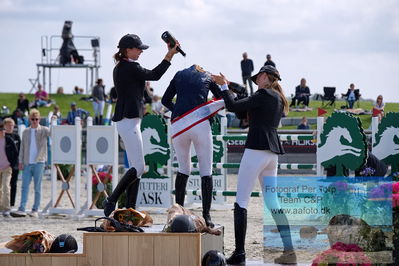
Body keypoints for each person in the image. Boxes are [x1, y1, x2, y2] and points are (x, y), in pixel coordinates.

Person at [212, 65, 296, 264]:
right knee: (273, 202)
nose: (255, 81)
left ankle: (240, 254)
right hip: (271, 153)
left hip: (256, 150)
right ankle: (289, 251)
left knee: (241, 201)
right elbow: (242, 109)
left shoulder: (263, 94)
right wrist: (227, 87)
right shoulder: (276, 97)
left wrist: (224, 87)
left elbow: (232, 107)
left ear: (265, 77)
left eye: (257, 78)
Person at [102, 33, 179, 217]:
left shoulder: (120, 66)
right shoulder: (131, 66)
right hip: (128, 122)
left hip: (127, 121)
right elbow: (155, 75)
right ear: (127, 50)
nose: (141, 52)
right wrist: (169, 55)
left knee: (138, 168)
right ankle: (112, 199)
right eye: (138, 49)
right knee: (139, 167)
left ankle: (130, 210)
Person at [162, 65, 222, 227]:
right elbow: (220, 99)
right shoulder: (208, 75)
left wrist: (180, 113)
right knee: (206, 170)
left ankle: (179, 213)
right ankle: (207, 216)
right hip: (200, 125)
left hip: (179, 125)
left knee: (183, 169)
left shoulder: (178, 75)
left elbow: (164, 100)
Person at [12, 109, 51, 218]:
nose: (34, 121)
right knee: (24, 187)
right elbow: (22, 148)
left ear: (39, 119)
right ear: (29, 119)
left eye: (36, 119)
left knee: (37, 187)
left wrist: (53, 120)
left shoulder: (44, 130)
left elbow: (53, 133)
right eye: (32, 119)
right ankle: (22, 208)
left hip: (39, 162)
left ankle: (35, 209)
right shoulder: (25, 132)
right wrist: (20, 161)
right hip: (27, 163)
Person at [0, 121, 18, 217]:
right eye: (1, 130)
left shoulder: (9, 140)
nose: (2, 132)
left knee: (6, 186)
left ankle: (6, 208)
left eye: (3, 130)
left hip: (7, 167)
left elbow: (15, 152)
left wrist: (12, 164)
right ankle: (0, 207)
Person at [3, 118, 21, 208]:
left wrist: (19, 163)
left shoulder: (16, 136)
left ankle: (12, 203)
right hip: (4, 165)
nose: (10, 127)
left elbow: (20, 150)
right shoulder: (2, 136)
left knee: (13, 184)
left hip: (14, 165)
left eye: (12, 125)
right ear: (4, 126)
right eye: (8, 125)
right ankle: (3, 203)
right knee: (4, 186)